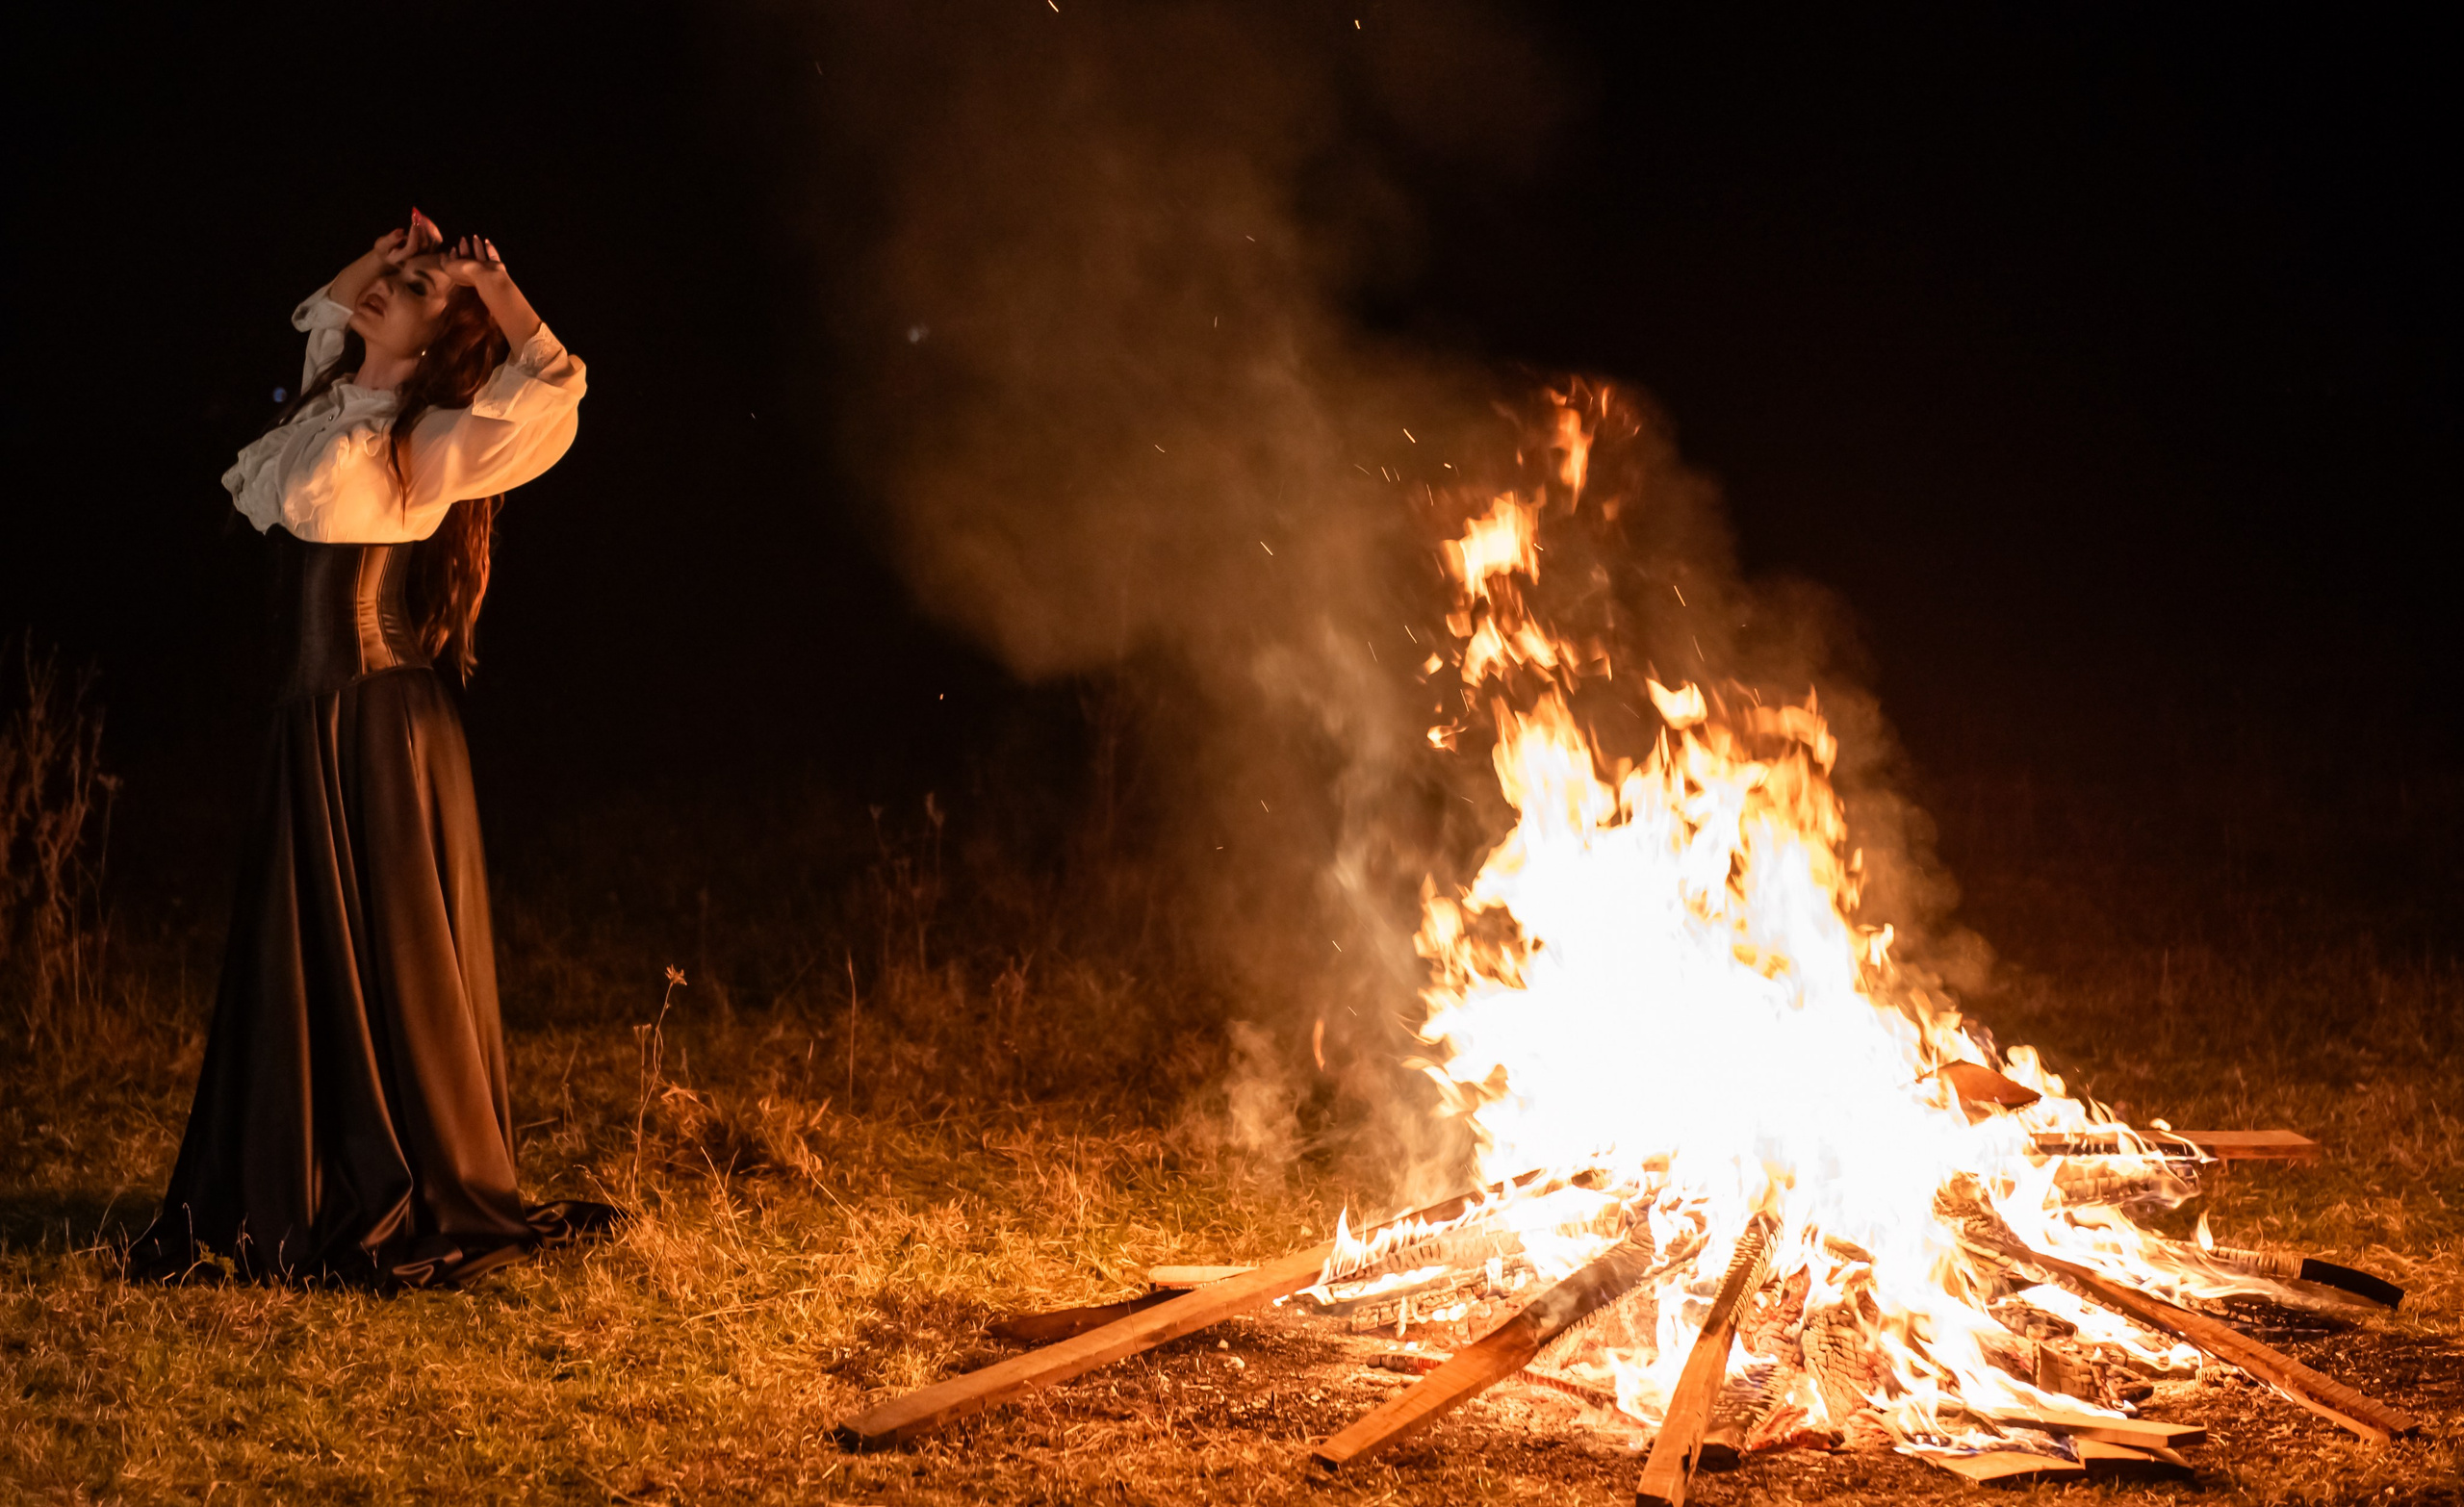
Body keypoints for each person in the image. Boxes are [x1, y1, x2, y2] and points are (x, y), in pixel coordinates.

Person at [130, 212, 614, 1288]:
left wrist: (494, 288)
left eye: (414, 285)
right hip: (310, 725)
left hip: (382, 732)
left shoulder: (425, 439)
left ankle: (402, 1173)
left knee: (387, 966)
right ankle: (293, 1176)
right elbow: (320, 312)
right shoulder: (331, 400)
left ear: (449, 333)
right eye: (392, 273)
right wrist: (393, 257)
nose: (387, 285)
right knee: (303, 960)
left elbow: (555, 389)